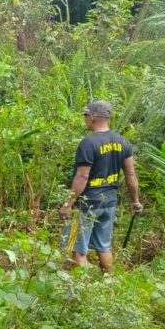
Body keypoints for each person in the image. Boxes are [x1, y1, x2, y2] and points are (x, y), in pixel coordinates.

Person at [60, 100, 143, 273]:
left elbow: (82, 176)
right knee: (104, 248)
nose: (85, 119)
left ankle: (83, 291)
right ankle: (109, 284)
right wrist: (135, 201)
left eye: (86, 116)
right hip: (109, 204)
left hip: (86, 204)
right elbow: (130, 175)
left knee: (77, 249)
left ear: (92, 117)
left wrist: (68, 203)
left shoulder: (88, 143)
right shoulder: (122, 142)